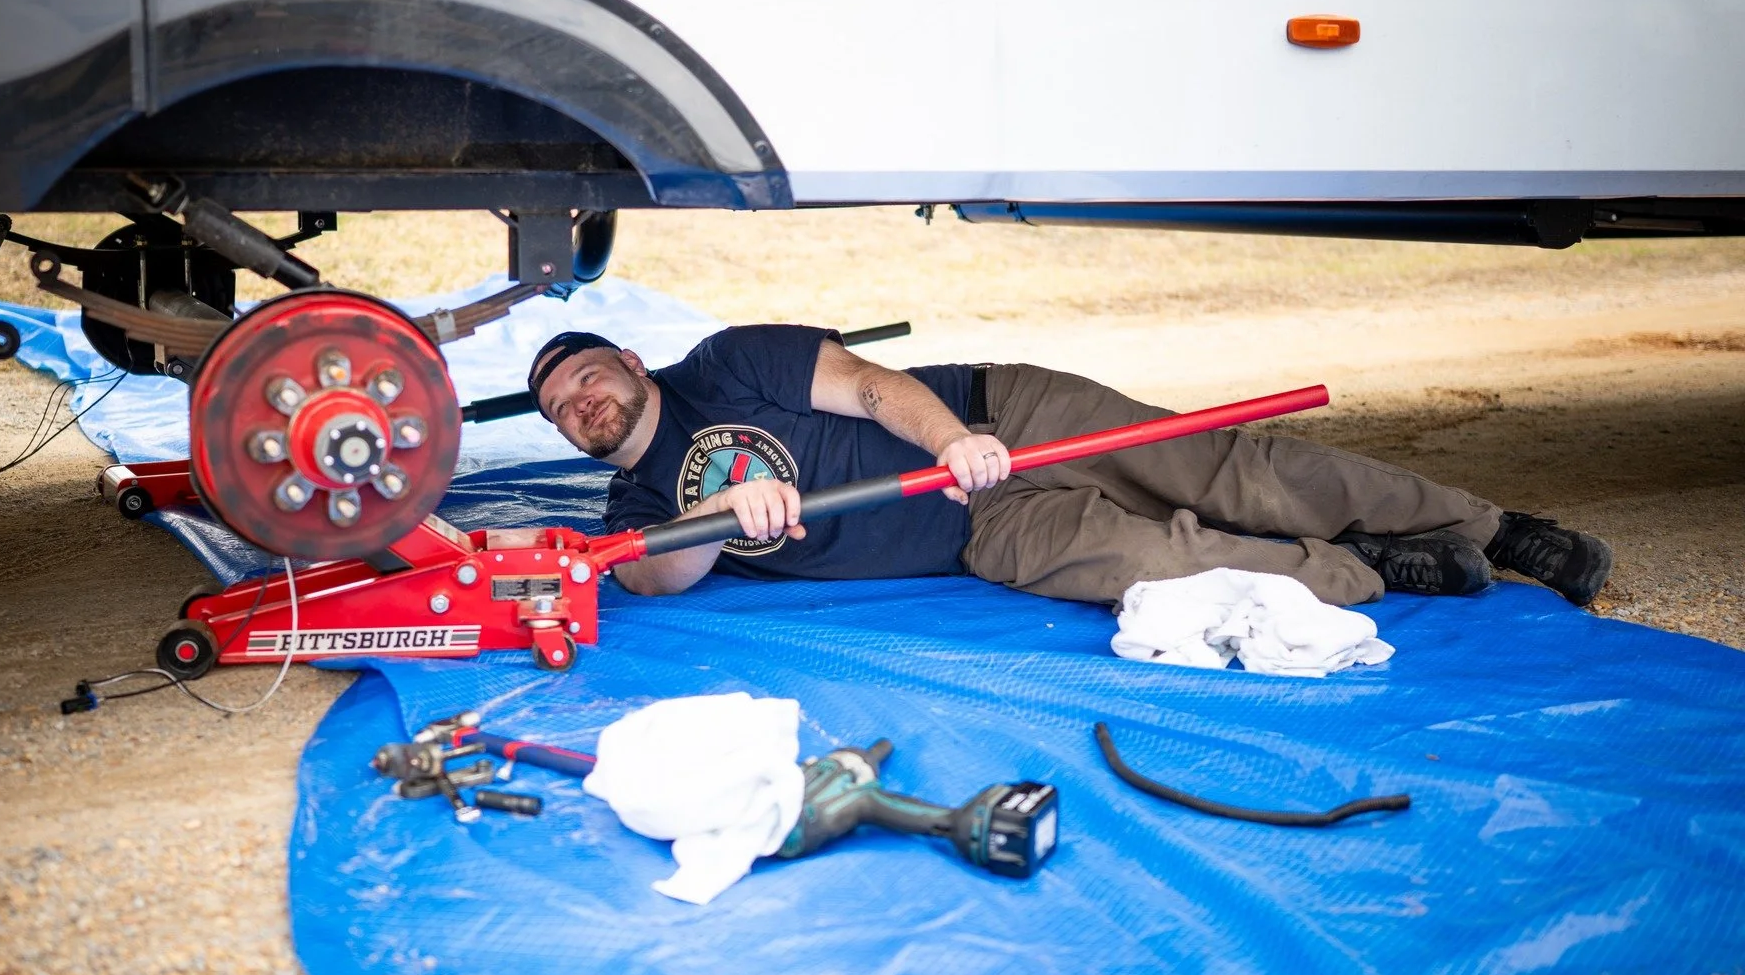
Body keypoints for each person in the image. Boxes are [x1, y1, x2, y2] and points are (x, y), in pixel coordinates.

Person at [527, 326, 1613, 608]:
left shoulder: (723, 365)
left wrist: (952, 440)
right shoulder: (632, 503)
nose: (580, 401)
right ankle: (1373, 564)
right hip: (973, 538)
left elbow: (866, 387)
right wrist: (716, 516)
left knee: (1231, 471)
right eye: (558, 407)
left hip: (1003, 420)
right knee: (1170, 569)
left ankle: (1489, 525)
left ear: (625, 360)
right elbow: (647, 575)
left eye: (584, 374)